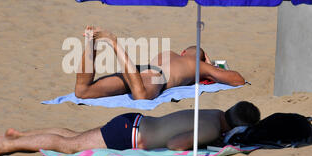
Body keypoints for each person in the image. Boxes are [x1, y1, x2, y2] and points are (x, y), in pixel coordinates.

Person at [0, 101, 260, 155]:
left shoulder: (214, 112)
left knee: (74, 135)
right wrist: (203, 143)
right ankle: (11, 144)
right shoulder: (212, 130)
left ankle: (22, 135)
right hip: (130, 135)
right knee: (70, 146)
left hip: (135, 121)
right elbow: (174, 145)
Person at [74, 26, 246, 100]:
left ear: (183, 52)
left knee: (82, 91)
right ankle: (113, 42)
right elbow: (238, 80)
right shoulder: (199, 65)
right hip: (155, 78)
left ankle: (92, 44)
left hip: (140, 72)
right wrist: (211, 66)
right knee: (140, 96)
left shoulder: (169, 53)